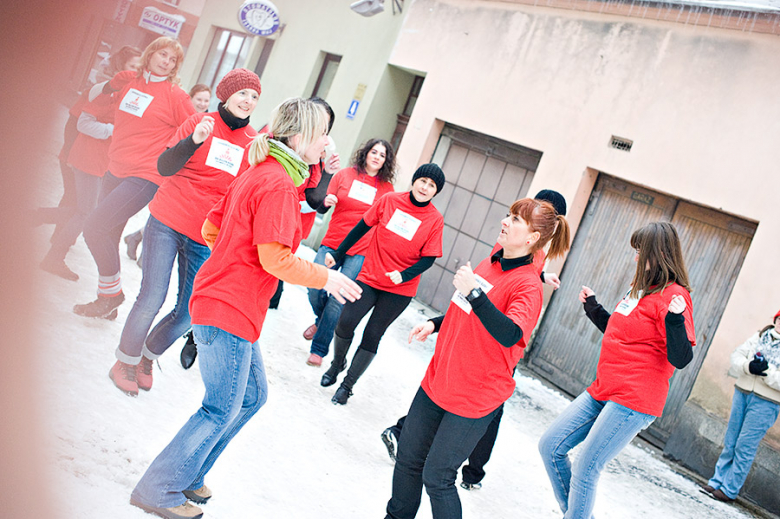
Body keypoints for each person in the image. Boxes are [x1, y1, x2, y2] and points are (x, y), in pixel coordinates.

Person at [128, 97, 362, 519]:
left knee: (252, 397)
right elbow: (276, 259)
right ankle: (160, 489)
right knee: (220, 407)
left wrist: (234, 259)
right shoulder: (275, 183)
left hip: (229, 302)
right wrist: (328, 278)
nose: (328, 141)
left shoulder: (267, 173)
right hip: (228, 308)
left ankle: (189, 473)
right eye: (324, 131)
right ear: (300, 135)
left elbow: (212, 227)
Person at [385, 198, 570, 519]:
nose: (505, 221)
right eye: (508, 215)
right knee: (408, 460)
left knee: (438, 477)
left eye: (515, 220)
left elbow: (511, 332)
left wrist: (474, 292)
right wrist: (436, 322)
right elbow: (471, 310)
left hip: (473, 398)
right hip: (438, 381)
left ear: (531, 238)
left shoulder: (527, 285)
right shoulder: (492, 262)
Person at [108, 68, 261, 396]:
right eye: (243, 93)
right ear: (226, 94)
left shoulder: (252, 143)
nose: (248, 100)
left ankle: (147, 356)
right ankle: (124, 361)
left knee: (189, 311)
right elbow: (164, 167)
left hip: (206, 236)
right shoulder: (199, 123)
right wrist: (194, 141)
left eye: (254, 96)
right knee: (152, 297)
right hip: (167, 221)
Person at [538, 221, 695, 519]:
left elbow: (681, 357)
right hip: (605, 387)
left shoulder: (675, 297)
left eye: (641, 251)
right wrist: (594, 309)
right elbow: (621, 332)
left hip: (634, 399)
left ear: (659, 253)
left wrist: (675, 320)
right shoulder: (638, 290)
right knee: (551, 445)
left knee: (586, 466)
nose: (636, 258)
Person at [74, 37, 195, 319]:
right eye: (162, 54)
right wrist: (111, 84)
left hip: (145, 174)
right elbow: (90, 99)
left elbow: (195, 131)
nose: (166, 61)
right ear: (150, 54)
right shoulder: (130, 83)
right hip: (114, 167)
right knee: (108, 233)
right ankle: (107, 303)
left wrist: (172, 158)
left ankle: (112, 295)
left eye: (173, 59)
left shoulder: (176, 96)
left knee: (93, 227)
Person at [321, 163, 444, 405]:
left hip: (399, 290)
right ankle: (337, 363)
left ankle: (347, 386)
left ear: (435, 192)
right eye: (423, 181)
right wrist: (338, 253)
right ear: (414, 181)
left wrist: (406, 274)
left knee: (373, 334)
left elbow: (429, 258)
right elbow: (362, 227)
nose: (425, 187)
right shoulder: (390, 200)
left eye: (431, 185)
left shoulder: (434, 220)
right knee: (346, 322)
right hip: (370, 277)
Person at [39, 46, 142, 282]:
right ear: (121, 68)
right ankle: (53, 249)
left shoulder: (132, 95)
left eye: (140, 67)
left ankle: (46, 228)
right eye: (133, 66)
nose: (137, 71)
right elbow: (78, 122)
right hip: (85, 156)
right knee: (82, 209)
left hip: (101, 160)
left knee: (81, 208)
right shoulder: (105, 92)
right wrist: (69, 154)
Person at [303, 138, 396, 367]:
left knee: (338, 298)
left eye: (382, 155)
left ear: (386, 161)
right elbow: (322, 206)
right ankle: (321, 320)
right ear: (365, 153)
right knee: (315, 286)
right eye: (374, 151)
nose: (376, 157)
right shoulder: (344, 175)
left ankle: (319, 350)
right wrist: (327, 200)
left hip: (361, 249)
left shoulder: (387, 189)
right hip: (333, 242)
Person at [122, 84, 215, 265]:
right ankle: (144, 253)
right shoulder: (183, 116)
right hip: (168, 168)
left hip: (187, 178)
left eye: (206, 100)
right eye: (199, 99)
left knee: (168, 214)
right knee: (162, 211)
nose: (203, 104)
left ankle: (136, 237)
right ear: (190, 98)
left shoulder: (209, 123)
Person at [267, 97, 341, 312]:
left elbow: (315, 201)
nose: (324, 139)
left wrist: (327, 172)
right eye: (318, 129)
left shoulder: (313, 158)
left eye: (325, 130)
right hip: (274, 235)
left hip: (293, 231)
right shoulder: (276, 166)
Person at [700, 310, 780, 503]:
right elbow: (736, 357)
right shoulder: (759, 337)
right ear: (776, 319)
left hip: (766, 402)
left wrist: (767, 371)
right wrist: (748, 367)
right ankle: (716, 481)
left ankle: (729, 489)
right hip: (742, 392)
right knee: (731, 440)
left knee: (745, 446)